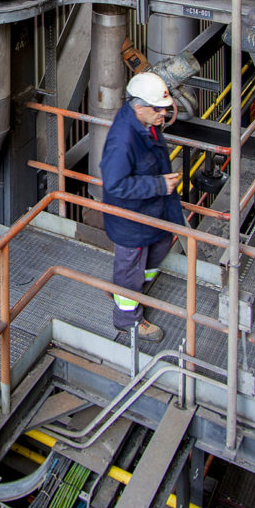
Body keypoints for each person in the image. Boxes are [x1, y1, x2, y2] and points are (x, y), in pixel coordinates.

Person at [100, 71, 185, 341]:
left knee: (161, 244)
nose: (164, 114)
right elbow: (115, 184)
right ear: (139, 107)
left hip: (152, 211)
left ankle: (133, 287)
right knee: (131, 264)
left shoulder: (146, 124)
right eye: (159, 109)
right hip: (132, 219)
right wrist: (159, 185)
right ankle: (127, 318)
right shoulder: (123, 140)